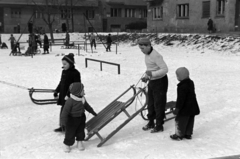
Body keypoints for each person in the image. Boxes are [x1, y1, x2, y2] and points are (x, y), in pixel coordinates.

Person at [139, 38, 168, 133]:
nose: (141, 51)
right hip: (152, 81)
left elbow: (165, 69)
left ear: (148, 46)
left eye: (143, 48)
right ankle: (151, 121)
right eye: (140, 48)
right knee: (150, 102)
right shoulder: (147, 55)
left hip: (160, 81)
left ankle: (159, 124)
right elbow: (150, 68)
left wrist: (152, 75)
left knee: (159, 103)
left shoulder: (156, 56)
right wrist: (147, 76)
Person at [61, 82, 97, 152]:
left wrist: (92, 112)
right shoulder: (70, 101)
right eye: (82, 90)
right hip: (72, 120)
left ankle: (79, 141)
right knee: (70, 132)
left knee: (80, 131)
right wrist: (63, 122)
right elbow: (65, 112)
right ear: (77, 92)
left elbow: (87, 106)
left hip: (81, 118)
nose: (84, 91)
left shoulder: (82, 99)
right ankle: (67, 144)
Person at [170, 67, 200, 141]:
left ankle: (179, 134)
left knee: (180, 121)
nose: (177, 77)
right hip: (192, 106)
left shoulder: (182, 86)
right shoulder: (190, 82)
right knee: (190, 120)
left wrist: (177, 109)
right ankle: (188, 134)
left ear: (181, 76)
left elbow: (181, 99)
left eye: (177, 76)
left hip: (184, 108)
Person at [54, 53, 81, 132]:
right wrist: (57, 90)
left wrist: (70, 94)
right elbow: (61, 82)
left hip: (71, 97)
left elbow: (77, 86)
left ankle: (69, 126)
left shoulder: (75, 73)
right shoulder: (64, 72)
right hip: (63, 95)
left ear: (71, 63)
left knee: (69, 112)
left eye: (65, 64)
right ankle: (62, 126)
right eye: (63, 64)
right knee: (63, 111)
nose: (63, 66)